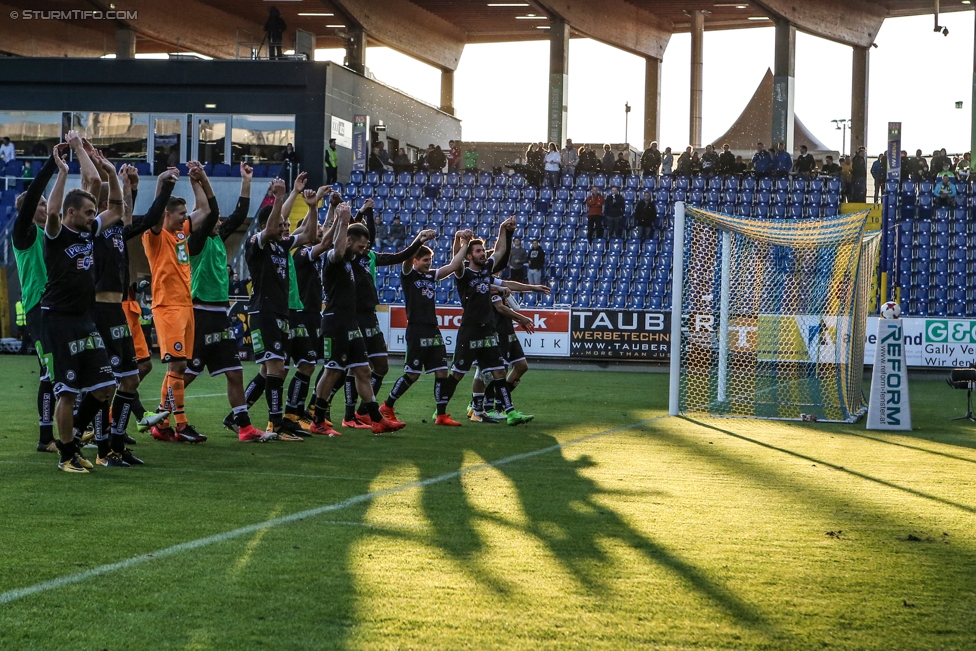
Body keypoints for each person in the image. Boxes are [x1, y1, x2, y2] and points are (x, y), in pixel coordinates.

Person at [41, 130, 125, 473]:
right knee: (67, 391)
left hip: (84, 316)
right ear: (72, 212)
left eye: (94, 213)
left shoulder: (90, 231)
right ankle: (66, 456)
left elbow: (117, 209)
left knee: (106, 385)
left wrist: (113, 175)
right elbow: (54, 209)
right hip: (58, 318)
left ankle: (73, 433)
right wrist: (64, 168)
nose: (94, 217)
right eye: (88, 212)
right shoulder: (57, 233)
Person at [91, 157, 178, 464]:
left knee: (130, 379)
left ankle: (116, 445)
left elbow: (144, 217)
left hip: (118, 311)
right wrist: (112, 175)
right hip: (99, 312)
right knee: (104, 385)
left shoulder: (116, 233)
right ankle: (102, 450)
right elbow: (118, 207)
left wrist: (164, 187)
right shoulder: (92, 231)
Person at [183, 162, 267, 443]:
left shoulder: (218, 239)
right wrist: (200, 181)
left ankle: (244, 427)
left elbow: (241, 213)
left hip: (219, 314)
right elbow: (210, 212)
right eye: (214, 221)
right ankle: (164, 415)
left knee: (235, 371)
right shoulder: (196, 242)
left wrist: (246, 180)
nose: (220, 223)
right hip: (201, 312)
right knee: (187, 375)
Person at [308, 204, 404, 435]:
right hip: (335, 322)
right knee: (332, 371)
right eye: (360, 246)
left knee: (363, 371)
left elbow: (354, 243)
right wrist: (342, 221)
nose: (364, 251)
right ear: (348, 241)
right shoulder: (334, 257)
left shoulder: (352, 261)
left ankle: (375, 419)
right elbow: (339, 250)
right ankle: (318, 420)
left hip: (351, 322)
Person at [340, 203, 435, 429]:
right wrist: (363, 213)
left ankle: (364, 411)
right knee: (353, 368)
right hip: (352, 315)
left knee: (380, 366)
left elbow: (399, 256)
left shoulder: (369, 256)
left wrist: (419, 241)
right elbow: (361, 232)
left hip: (369, 315)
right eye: (361, 244)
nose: (365, 247)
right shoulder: (347, 257)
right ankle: (348, 415)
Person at [142, 160, 215, 443]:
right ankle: (179, 425)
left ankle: (164, 422)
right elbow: (157, 207)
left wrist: (199, 179)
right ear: (167, 215)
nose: (186, 216)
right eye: (181, 213)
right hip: (167, 306)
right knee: (178, 367)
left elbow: (206, 209)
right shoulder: (154, 235)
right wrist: (163, 182)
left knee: (179, 366)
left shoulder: (181, 232)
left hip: (186, 306)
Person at [445, 219, 540, 426]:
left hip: (487, 330)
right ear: (469, 255)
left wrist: (502, 230)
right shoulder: (464, 274)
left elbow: (500, 252)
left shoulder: (487, 273)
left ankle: (507, 411)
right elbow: (455, 262)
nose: (483, 254)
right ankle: (442, 409)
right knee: (459, 374)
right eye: (478, 251)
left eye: (483, 251)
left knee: (498, 371)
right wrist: (458, 239)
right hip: (470, 330)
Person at [380, 230, 473, 426]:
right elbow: (405, 259)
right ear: (415, 261)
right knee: (412, 374)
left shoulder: (431, 276)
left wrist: (464, 243)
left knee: (441, 371)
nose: (428, 263)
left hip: (432, 328)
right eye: (424, 260)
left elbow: (454, 265)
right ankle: (387, 406)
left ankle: (441, 415)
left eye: (430, 259)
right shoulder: (409, 275)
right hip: (416, 329)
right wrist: (418, 240)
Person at [12, 145, 63, 452]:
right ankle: (51, 437)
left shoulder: (48, 236)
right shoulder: (25, 234)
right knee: (53, 371)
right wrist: (51, 165)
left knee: (51, 372)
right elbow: (33, 196)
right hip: (38, 309)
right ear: (31, 210)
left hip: (57, 307)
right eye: (42, 205)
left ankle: (50, 437)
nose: (46, 208)